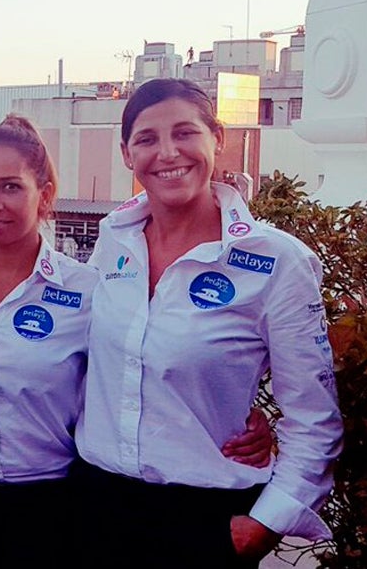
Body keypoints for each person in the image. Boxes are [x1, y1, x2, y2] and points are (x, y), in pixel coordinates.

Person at [0, 114, 273, 568]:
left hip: (52, 507)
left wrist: (239, 418)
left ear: (45, 194)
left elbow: (143, 367)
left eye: (11, 186)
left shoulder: (91, 289)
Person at [75, 78, 343, 568]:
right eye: (147, 139)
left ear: (217, 138)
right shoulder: (113, 241)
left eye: (185, 133)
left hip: (203, 521)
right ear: (126, 154)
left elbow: (314, 420)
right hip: (94, 506)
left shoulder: (276, 261)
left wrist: (263, 526)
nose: (168, 153)